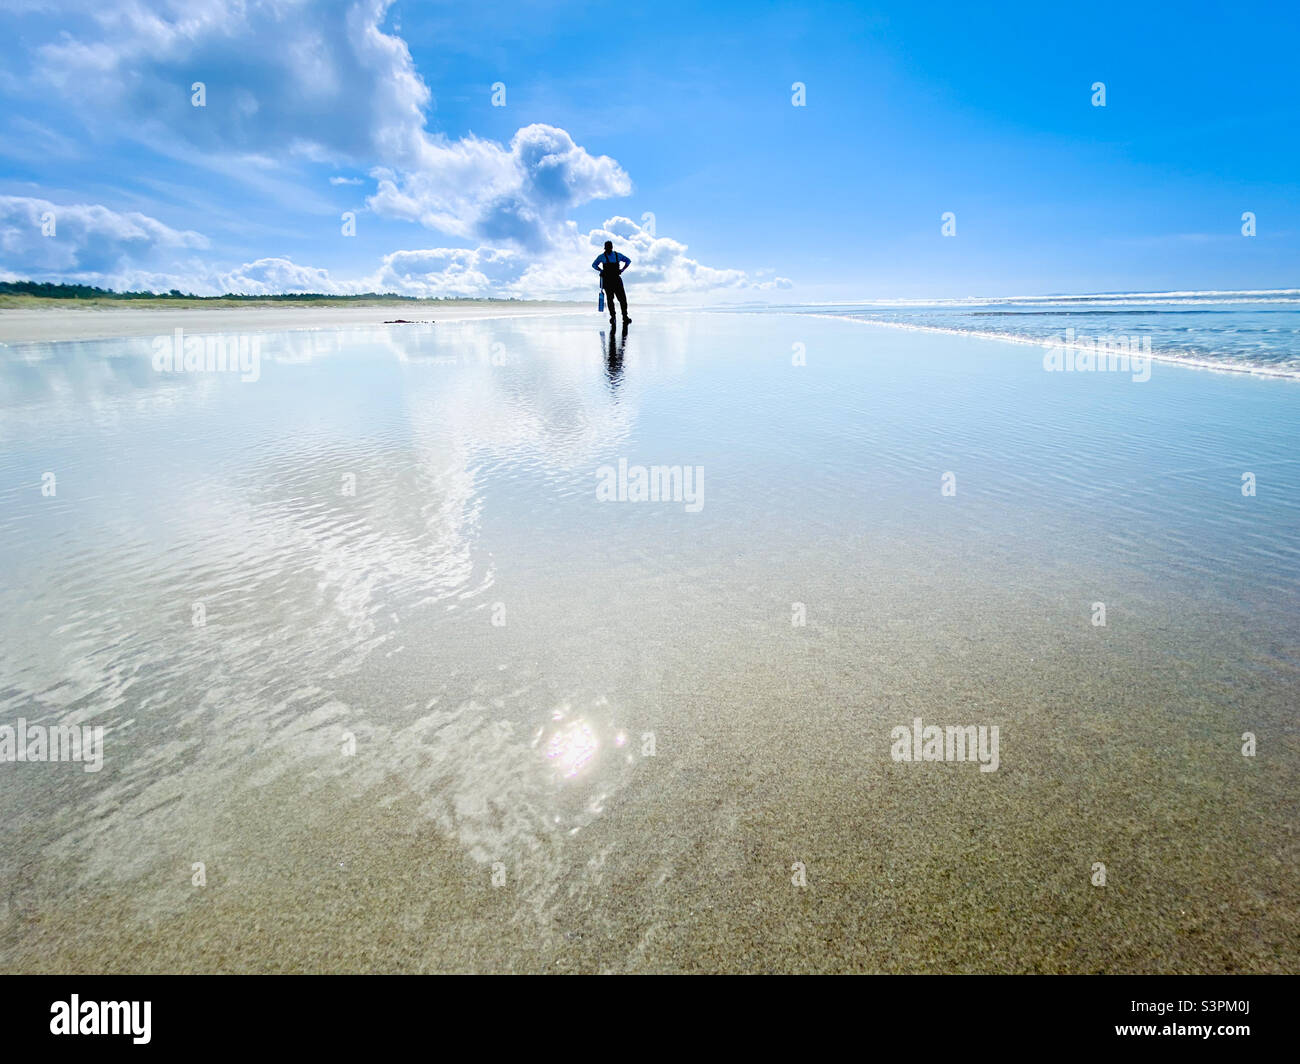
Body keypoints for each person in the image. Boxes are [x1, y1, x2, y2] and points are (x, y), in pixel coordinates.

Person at [592, 241, 631, 326]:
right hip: (610, 280)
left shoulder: (603, 256)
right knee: (615, 300)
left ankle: (622, 317)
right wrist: (622, 270)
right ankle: (616, 317)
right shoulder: (614, 255)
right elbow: (628, 261)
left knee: (619, 300)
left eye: (608, 248)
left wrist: (601, 270)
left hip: (612, 280)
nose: (608, 250)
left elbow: (594, 265)